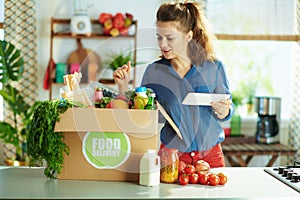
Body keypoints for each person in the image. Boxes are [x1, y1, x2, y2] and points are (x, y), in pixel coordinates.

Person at [113, 0, 233, 168]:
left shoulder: (214, 68)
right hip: (172, 156)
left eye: (169, 38)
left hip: (211, 155)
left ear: (188, 36)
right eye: (159, 37)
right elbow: (141, 115)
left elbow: (228, 111)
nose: (163, 44)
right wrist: (123, 87)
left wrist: (224, 110)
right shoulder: (154, 72)